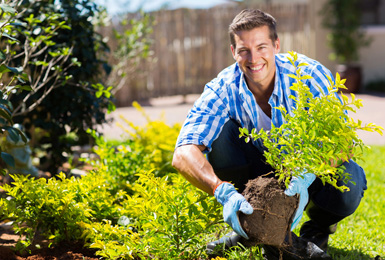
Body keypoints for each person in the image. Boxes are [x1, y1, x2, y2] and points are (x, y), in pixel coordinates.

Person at [171, 9, 367, 259]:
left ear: (276, 45)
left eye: (261, 47)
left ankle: (316, 228)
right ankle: (253, 225)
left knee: (349, 179)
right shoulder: (222, 88)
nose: (253, 59)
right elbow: (183, 152)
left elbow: (342, 141)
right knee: (218, 136)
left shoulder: (307, 75)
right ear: (234, 52)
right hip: (256, 177)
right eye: (244, 50)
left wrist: (307, 174)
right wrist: (221, 190)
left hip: (306, 170)